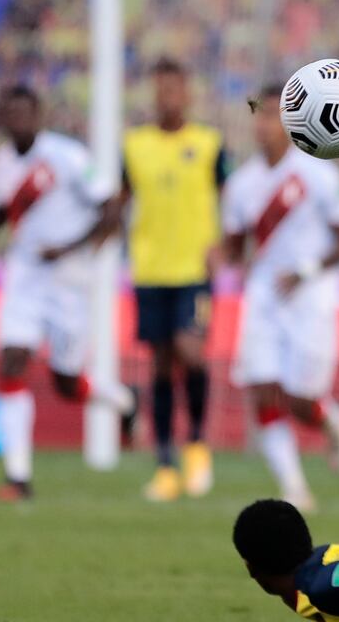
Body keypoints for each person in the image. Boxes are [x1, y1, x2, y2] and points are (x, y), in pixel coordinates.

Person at [0, 85, 136, 501]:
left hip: (69, 279)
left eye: (24, 112)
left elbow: (110, 206)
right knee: (13, 358)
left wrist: (69, 248)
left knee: (66, 384)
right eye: (9, 113)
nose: (17, 120)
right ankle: (18, 476)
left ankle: (121, 400)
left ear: (38, 114)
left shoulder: (68, 156)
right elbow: (2, 211)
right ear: (1, 118)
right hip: (25, 274)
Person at [221, 84, 339, 512]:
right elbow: (232, 246)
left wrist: (308, 270)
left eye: (273, 116)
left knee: (300, 400)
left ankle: (330, 418)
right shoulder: (242, 185)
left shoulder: (319, 175)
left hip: (312, 297)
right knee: (262, 390)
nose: (264, 125)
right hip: (264, 297)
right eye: (259, 115)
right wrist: (224, 260)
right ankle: (294, 487)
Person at [122, 57, 227, 502]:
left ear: (187, 94)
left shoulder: (209, 143)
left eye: (174, 89)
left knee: (192, 351)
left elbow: (231, 197)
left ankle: (197, 444)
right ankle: (165, 464)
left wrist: (223, 244)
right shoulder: (134, 145)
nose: (167, 97)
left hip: (193, 270)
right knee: (161, 363)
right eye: (160, 89)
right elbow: (120, 198)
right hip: (149, 269)